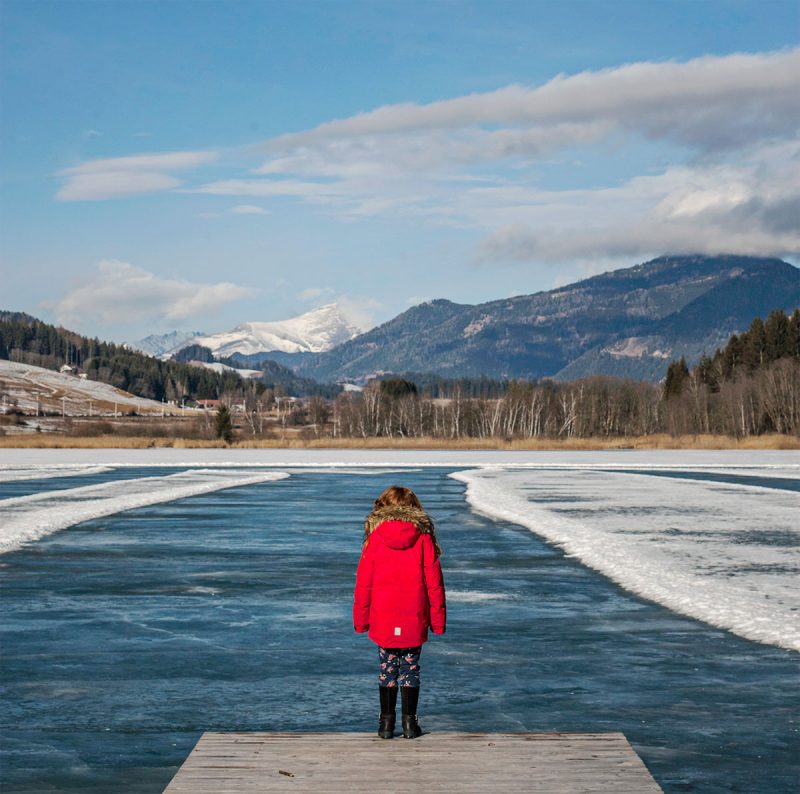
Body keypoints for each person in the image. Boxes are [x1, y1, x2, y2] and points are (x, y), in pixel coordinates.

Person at [353, 485, 446, 739]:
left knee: (387, 667)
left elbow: (364, 584)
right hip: (413, 618)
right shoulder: (424, 540)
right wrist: (437, 622)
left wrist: (361, 621)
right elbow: (434, 585)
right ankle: (409, 723)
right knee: (410, 668)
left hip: (383, 618)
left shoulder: (375, 540)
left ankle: (385, 724)